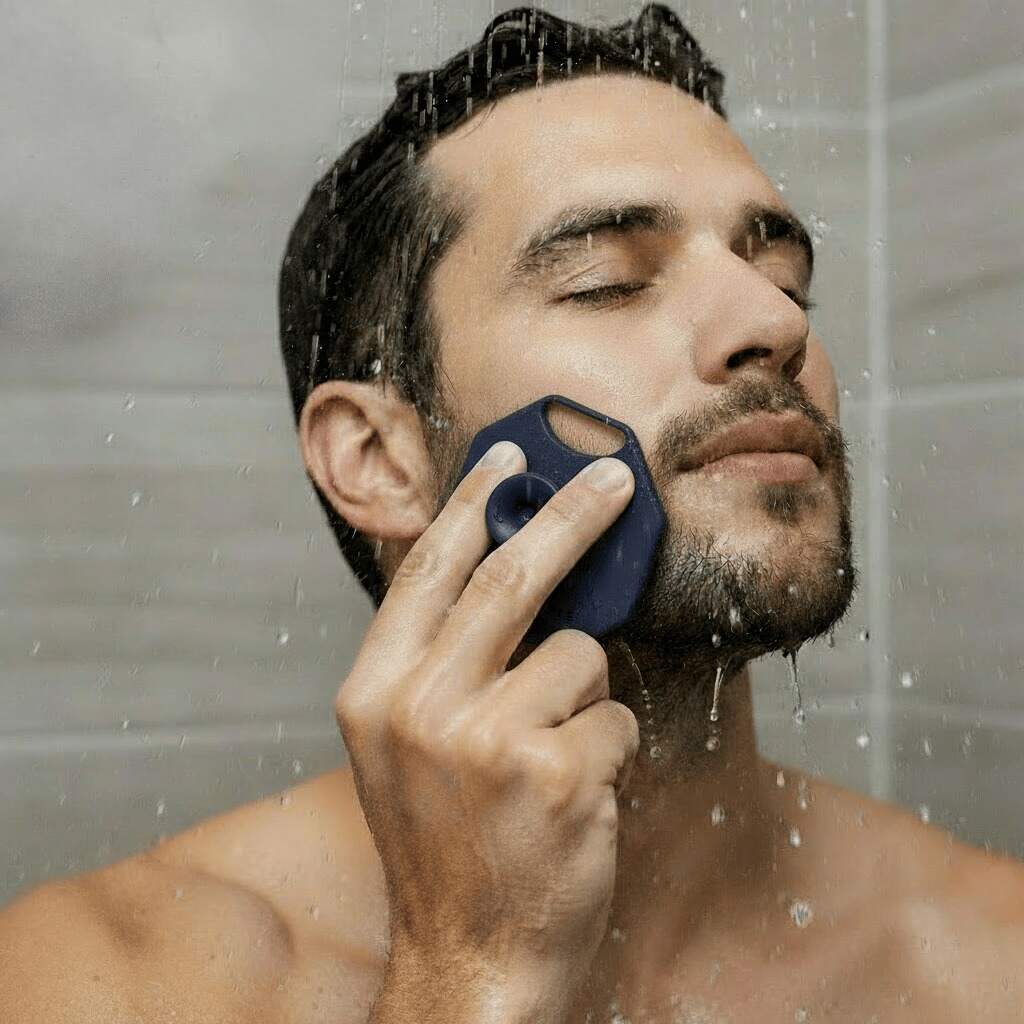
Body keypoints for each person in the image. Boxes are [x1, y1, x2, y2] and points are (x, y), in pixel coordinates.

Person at [1, 6, 1021, 1022]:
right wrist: (465, 977)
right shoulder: (103, 980)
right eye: (608, 282)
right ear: (378, 457)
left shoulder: (988, 957)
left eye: (783, 277)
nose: (774, 323)